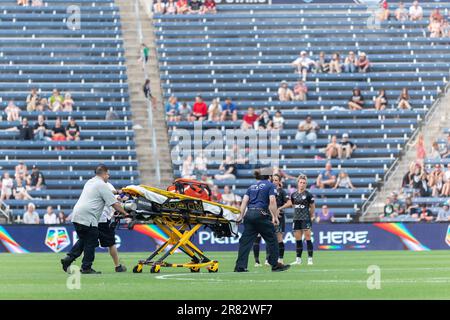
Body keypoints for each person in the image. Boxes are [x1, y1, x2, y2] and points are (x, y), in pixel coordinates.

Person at [60, 165, 129, 274]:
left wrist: (118, 192)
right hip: (88, 217)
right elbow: (114, 204)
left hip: (77, 214)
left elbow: (110, 192)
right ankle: (86, 267)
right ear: (104, 173)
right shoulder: (102, 185)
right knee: (91, 241)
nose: (109, 176)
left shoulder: (90, 182)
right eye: (108, 174)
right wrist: (126, 213)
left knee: (84, 240)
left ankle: (68, 259)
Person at [234, 168, 290, 272]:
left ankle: (240, 267)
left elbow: (244, 201)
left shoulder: (251, 187)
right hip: (261, 214)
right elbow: (272, 201)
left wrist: (240, 216)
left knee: (245, 242)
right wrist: (275, 217)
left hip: (249, 215)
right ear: (269, 177)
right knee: (272, 239)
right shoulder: (270, 185)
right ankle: (274, 264)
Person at [277, 174, 315, 266]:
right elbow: (290, 203)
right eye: (301, 182)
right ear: (298, 183)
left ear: (306, 184)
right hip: (296, 219)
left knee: (308, 238)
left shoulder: (308, 195)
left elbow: (312, 207)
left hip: (305, 219)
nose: (302, 184)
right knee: (298, 240)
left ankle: (310, 259)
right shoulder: (293, 194)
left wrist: (310, 216)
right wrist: (281, 207)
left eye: (304, 183)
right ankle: (298, 259)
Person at [98, 182, 127, 272]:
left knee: (87, 242)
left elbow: (115, 198)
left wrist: (120, 197)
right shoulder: (105, 185)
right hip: (103, 219)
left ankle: (84, 265)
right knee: (111, 243)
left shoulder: (93, 184)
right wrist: (125, 213)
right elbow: (114, 200)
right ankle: (117, 266)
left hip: (92, 217)